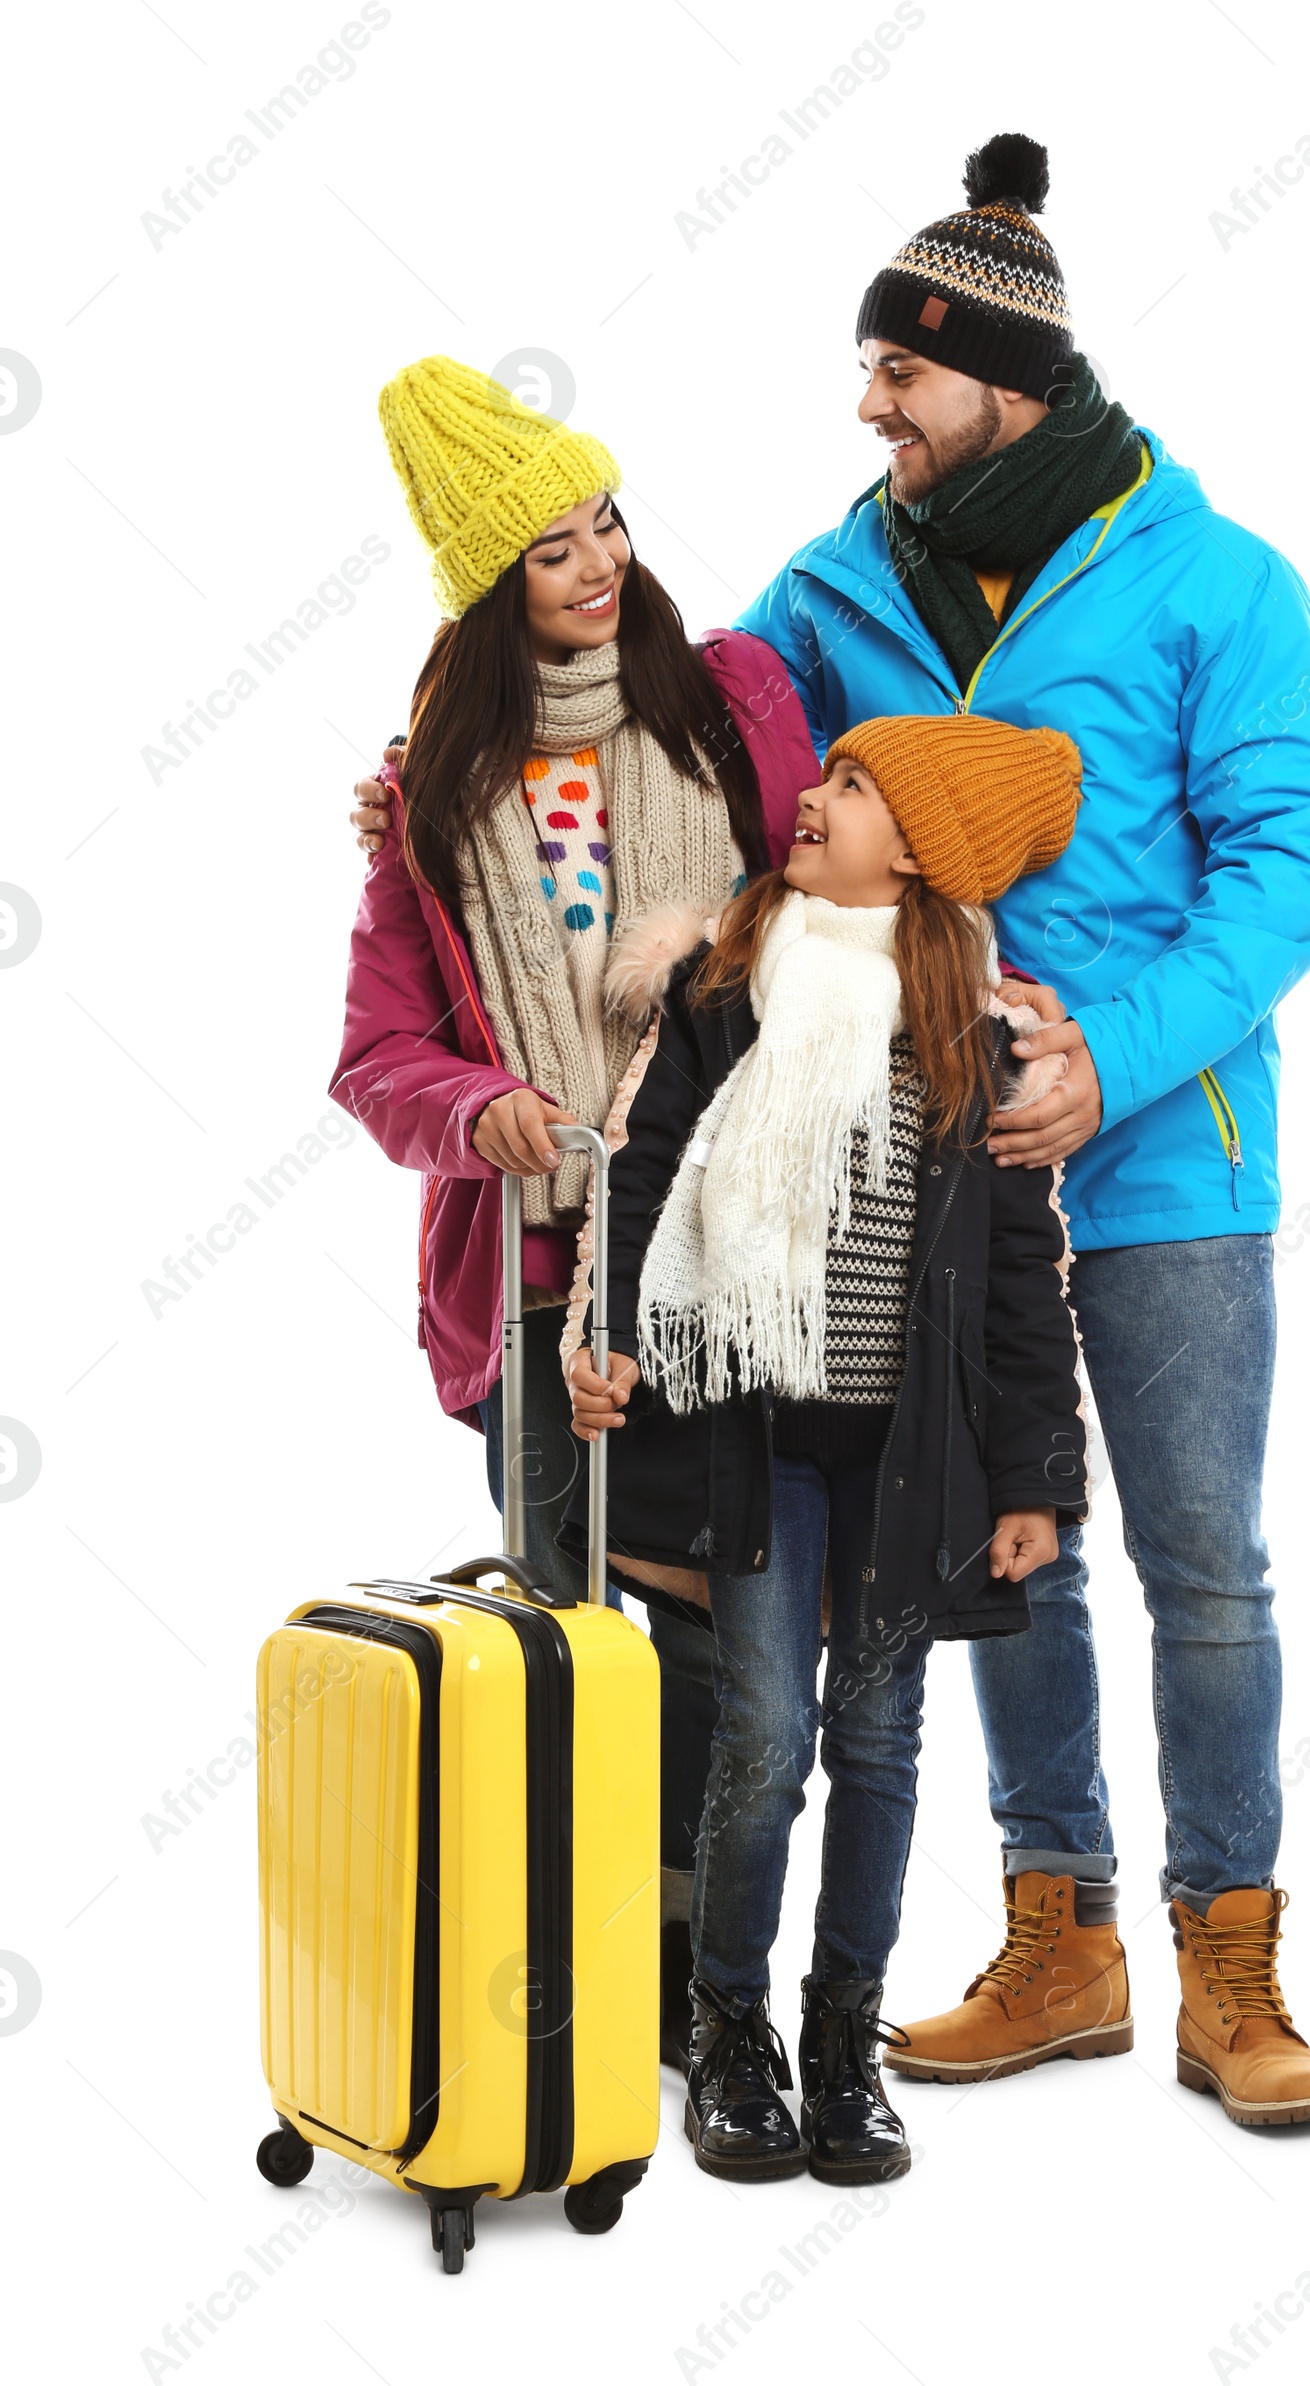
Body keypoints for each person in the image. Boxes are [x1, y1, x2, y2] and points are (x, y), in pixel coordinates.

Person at [734, 133, 1310, 2127]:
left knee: (1202, 1560)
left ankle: (1229, 1965)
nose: (866, 406)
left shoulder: (1215, 576)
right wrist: (471, 747)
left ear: (998, 373)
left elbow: (1289, 863)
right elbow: (706, 744)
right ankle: (1057, 1930)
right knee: (1000, 1542)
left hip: (1172, 1152)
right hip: (925, 1159)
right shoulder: (828, 585)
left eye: (895, 374)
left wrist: (1122, 1053)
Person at [329, 354, 816, 2070]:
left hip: (728, 1249)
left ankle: (706, 1976)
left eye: (605, 519)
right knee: (564, 1631)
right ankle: (578, 1974)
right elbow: (376, 1059)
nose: (598, 562)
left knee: (718, 1642)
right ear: (492, 586)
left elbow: (820, 910)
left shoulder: (733, 694)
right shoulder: (437, 799)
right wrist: (490, 1112)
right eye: (550, 547)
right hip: (539, 1282)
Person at [565, 712, 1091, 2184]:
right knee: (768, 1741)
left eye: (854, 790)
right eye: (827, 774)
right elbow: (649, 1166)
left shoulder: (967, 1034)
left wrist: (1039, 1477)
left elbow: (1010, 1271)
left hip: (906, 1464)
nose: (813, 796)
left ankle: (842, 2037)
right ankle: (728, 2022)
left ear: (916, 850)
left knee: (876, 1744)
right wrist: (602, 1329)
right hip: (760, 1449)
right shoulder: (728, 983)